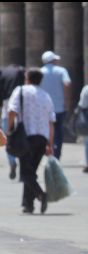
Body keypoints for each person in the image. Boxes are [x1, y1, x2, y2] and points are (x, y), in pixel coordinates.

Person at [8, 68, 55, 214]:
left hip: (26, 137)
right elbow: (51, 122)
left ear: (27, 78)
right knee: (31, 170)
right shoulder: (45, 96)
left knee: (25, 173)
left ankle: (41, 194)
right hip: (42, 138)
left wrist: (9, 128)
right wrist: (50, 143)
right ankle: (28, 204)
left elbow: (12, 111)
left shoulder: (21, 90)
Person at [39, 51, 71, 160]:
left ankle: (46, 152)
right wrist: (66, 100)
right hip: (58, 107)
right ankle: (57, 155)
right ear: (53, 60)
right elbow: (67, 83)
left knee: (45, 130)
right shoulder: (61, 71)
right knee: (58, 132)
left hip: (44, 107)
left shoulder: (40, 72)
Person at [2, 63, 25, 180]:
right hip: (22, 112)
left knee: (8, 140)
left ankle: (12, 161)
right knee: (23, 139)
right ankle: (22, 168)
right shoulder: (21, 72)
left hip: (6, 110)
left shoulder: (3, 73)